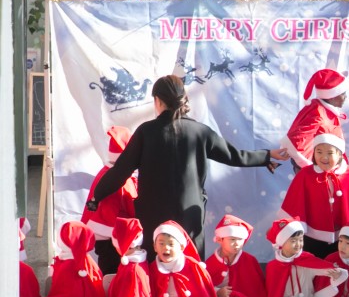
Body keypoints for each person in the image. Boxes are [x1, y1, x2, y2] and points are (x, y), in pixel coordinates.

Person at [88, 74, 288, 259]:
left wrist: (98, 196)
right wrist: (266, 155)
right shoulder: (200, 132)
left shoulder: (145, 132)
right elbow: (234, 156)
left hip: (152, 211)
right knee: (190, 262)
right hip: (190, 211)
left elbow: (121, 171)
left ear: (158, 100)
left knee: (156, 260)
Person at [279, 125, 349, 258]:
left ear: (340, 154)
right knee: (314, 266)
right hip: (311, 235)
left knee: (338, 266)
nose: (324, 157)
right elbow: (294, 202)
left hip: (342, 235)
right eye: (319, 152)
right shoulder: (305, 174)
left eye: (330, 153)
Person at [80, 125, 137, 274]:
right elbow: (129, 203)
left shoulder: (105, 173)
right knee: (114, 268)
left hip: (104, 233)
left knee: (108, 266)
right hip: (114, 234)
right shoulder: (120, 178)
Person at [283, 68, 349, 169]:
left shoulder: (321, 109)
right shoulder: (318, 114)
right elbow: (297, 140)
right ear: (332, 96)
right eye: (343, 93)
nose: (345, 97)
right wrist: (310, 168)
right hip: (317, 170)